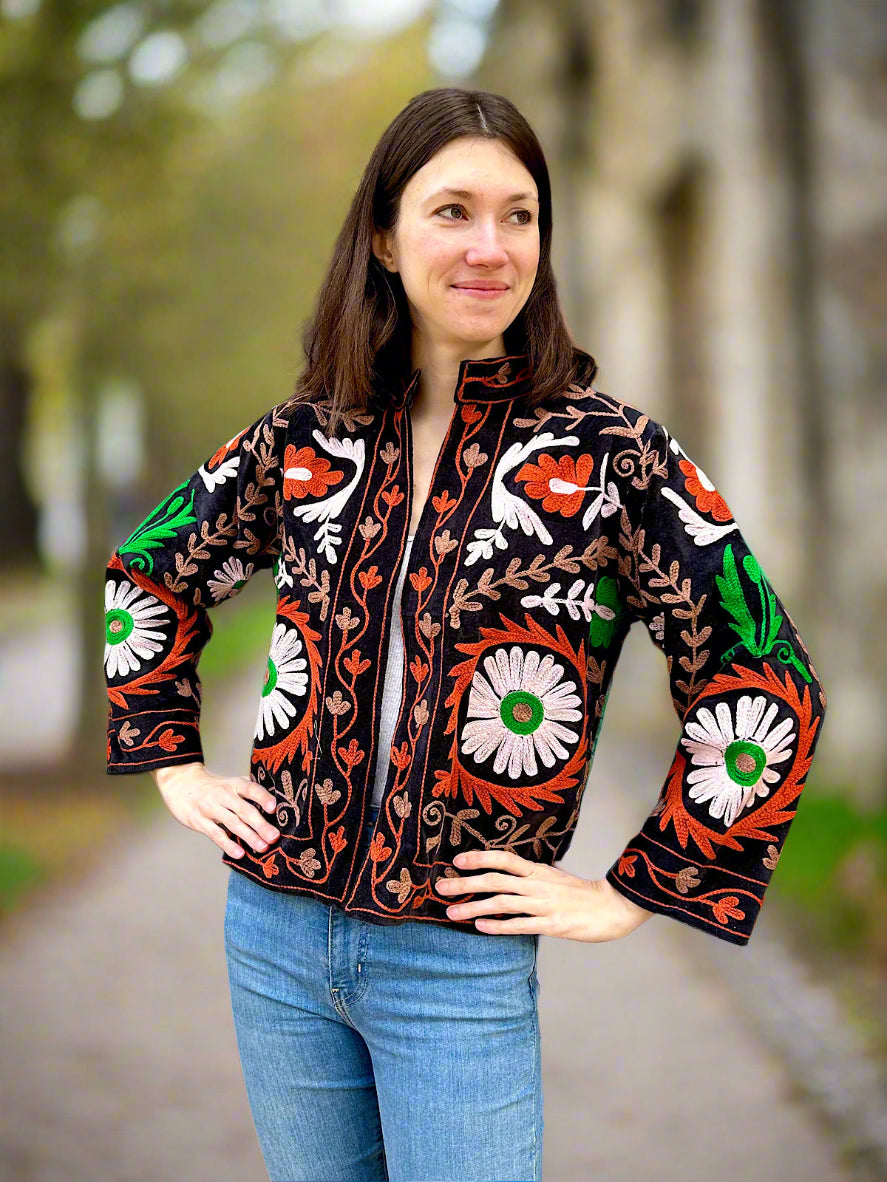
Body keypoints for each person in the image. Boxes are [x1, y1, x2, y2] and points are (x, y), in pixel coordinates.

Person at [103, 87, 827, 1182]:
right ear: (384, 239)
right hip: (273, 937)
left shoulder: (612, 458)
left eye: (519, 214)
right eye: (452, 211)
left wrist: (636, 887)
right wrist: (170, 762)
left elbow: (759, 673)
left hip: (455, 960)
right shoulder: (308, 435)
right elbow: (155, 567)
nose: (492, 246)